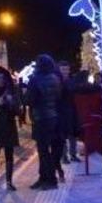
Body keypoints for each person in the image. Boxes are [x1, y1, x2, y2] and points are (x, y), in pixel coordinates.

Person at [24, 54, 63, 190]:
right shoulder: (56, 78)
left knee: (43, 151)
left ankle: (50, 180)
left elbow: (29, 99)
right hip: (53, 117)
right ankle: (44, 178)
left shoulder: (35, 79)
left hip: (41, 117)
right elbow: (58, 97)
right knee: (48, 150)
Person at [57, 60, 81, 164]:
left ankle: (73, 154)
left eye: (66, 69)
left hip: (71, 109)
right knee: (62, 135)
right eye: (63, 69)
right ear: (59, 70)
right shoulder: (57, 81)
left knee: (72, 133)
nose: (65, 71)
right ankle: (64, 156)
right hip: (61, 110)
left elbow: (78, 90)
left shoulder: (72, 80)